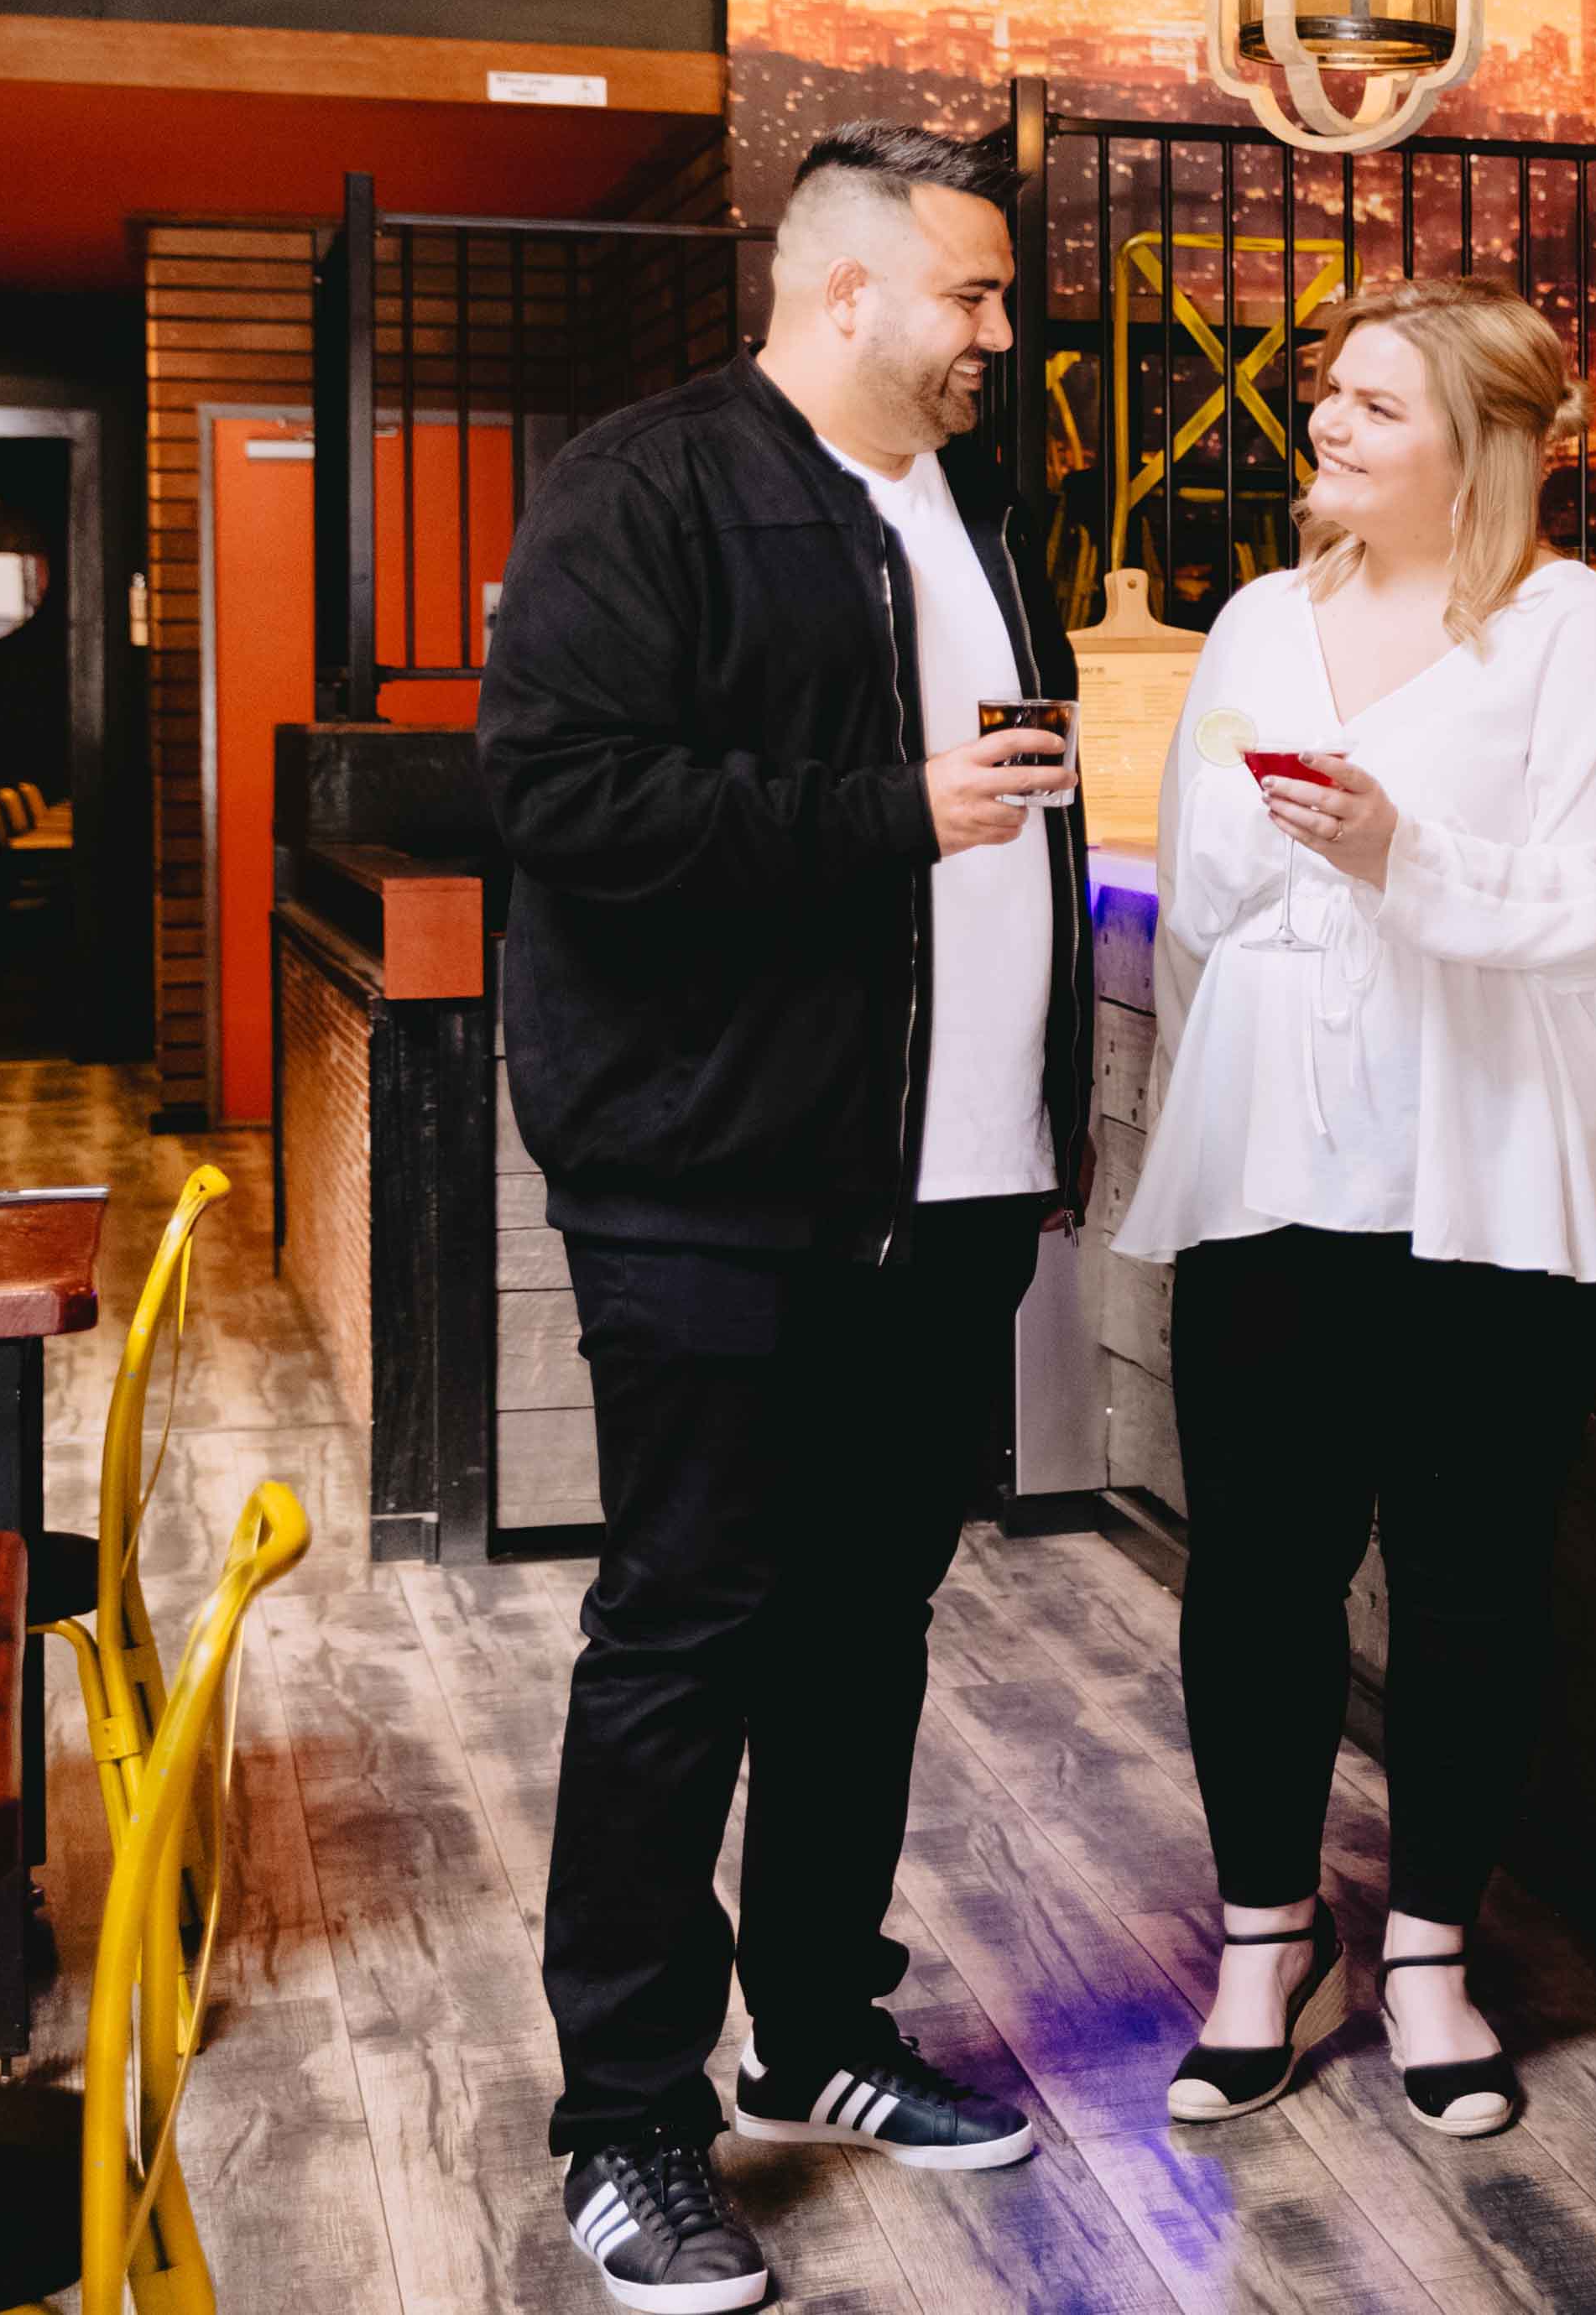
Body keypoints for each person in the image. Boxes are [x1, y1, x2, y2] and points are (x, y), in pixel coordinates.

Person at [477, 120, 1087, 2315]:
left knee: (863, 1627)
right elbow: (553, 792)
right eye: (976, 294)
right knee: (684, 1639)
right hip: (714, 1187)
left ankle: (814, 2028)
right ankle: (629, 2121)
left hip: (949, 1190)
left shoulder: (975, 508)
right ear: (844, 292)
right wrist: (886, 810)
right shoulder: (641, 490)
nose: (1005, 334)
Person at [1110, 276, 1596, 2139]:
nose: (1329, 427)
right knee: (1260, 1573)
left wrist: (1400, 854)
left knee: (1467, 1579)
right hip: (1278, 1155)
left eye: (1375, 405)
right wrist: (1296, 868)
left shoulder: (1579, 636)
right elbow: (1205, 893)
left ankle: (1429, 1947)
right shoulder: (1259, 625)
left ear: (1483, 450)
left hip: (1493, 1175)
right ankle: (1266, 1943)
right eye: (1327, 396)